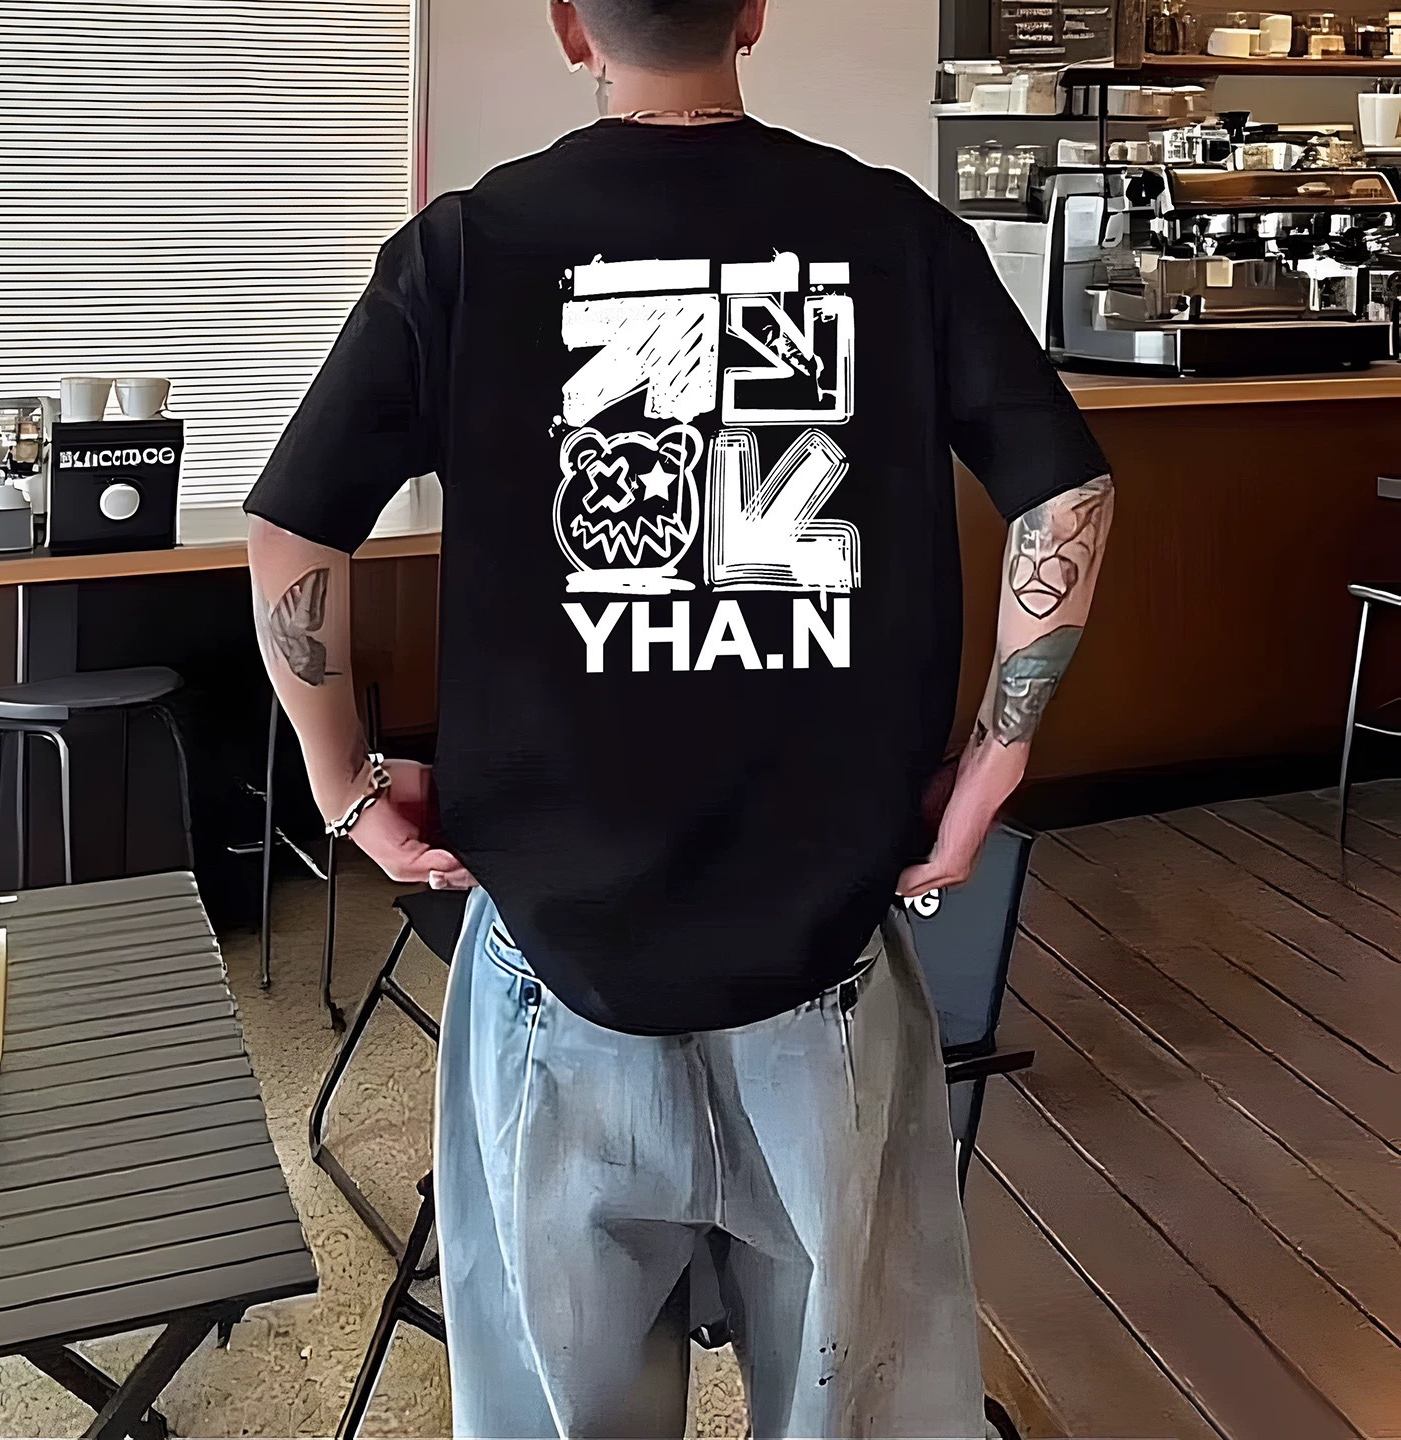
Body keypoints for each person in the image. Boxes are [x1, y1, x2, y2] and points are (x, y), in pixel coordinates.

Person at [244, 1, 1113, 1434]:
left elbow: (291, 532)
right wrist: (992, 767)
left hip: (556, 974)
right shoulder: (898, 235)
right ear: (755, 12)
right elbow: (1066, 491)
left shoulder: (467, 246)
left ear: (569, 25)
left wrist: (347, 790)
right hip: (827, 964)